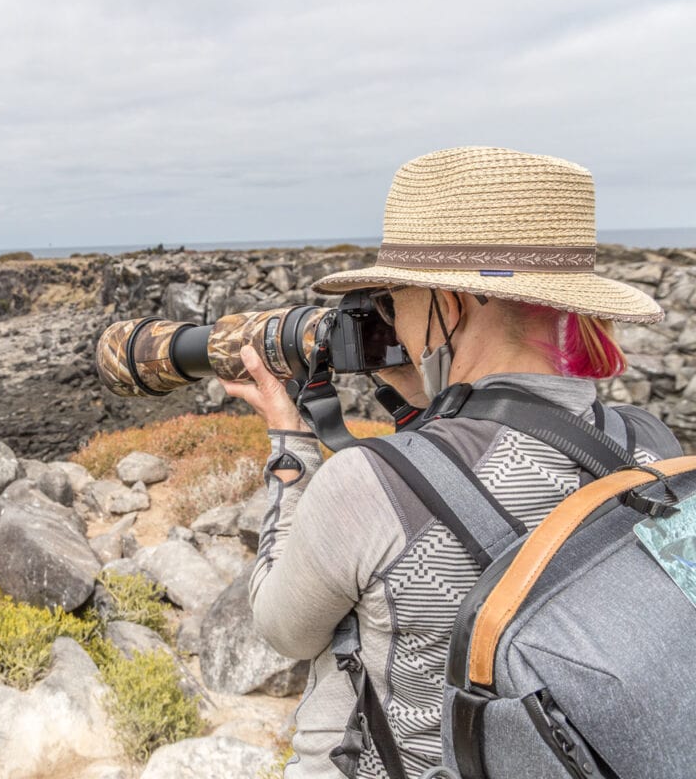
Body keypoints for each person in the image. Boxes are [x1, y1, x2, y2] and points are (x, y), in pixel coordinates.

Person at [222, 146, 682, 779]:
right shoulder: (651, 447)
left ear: (450, 302)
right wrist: (440, 399)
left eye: (395, 299)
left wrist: (290, 446)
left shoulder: (371, 485)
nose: (391, 322)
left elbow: (283, 630)